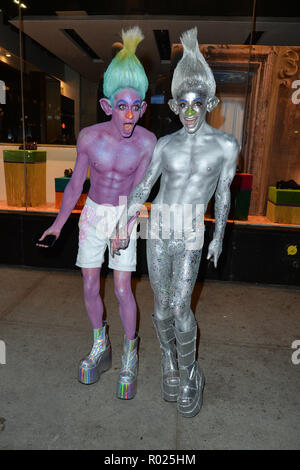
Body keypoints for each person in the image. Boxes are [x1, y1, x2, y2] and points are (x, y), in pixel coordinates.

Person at [112, 27, 239, 417]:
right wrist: (123, 221)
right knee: (161, 309)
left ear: (210, 103)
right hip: (160, 228)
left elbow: (223, 192)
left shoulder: (225, 146)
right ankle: (168, 360)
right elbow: (144, 188)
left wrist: (218, 235)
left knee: (181, 308)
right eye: (182, 104)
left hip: (190, 232)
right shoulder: (164, 146)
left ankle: (189, 375)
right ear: (173, 105)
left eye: (196, 104)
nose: (189, 112)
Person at [38, 27, 156, 399]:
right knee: (90, 284)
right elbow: (76, 185)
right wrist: (58, 224)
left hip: (125, 212)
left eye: (136, 107)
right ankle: (99, 345)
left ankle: (130, 353)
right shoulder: (89, 137)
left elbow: (139, 191)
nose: (130, 116)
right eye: (122, 106)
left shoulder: (147, 143)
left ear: (143, 107)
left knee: (122, 288)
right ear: (107, 106)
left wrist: (125, 224)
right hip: (92, 213)